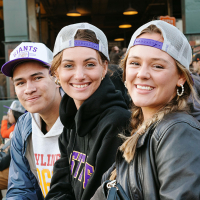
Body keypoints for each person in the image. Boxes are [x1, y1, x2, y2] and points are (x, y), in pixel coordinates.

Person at [92, 20, 200, 200]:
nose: (142, 74)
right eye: (135, 63)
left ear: (181, 77)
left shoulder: (178, 132)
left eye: (157, 66)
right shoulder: (145, 128)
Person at [45, 23, 131, 200]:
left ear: (104, 68)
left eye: (90, 64)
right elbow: (58, 189)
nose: (79, 75)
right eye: (68, 66)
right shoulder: (69, 121)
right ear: (56, 72)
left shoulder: (118, 122)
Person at [1, 42, 63, 199]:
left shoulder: (81, 119)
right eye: (20, 82)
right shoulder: (24, 125)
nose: (29, 89)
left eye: (37, 77)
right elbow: (20, 189)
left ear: (56, 76)